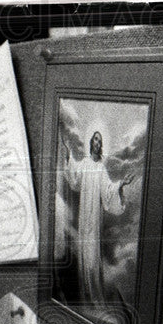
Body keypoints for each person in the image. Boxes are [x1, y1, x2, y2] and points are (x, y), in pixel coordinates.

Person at [61, 130, 135, 305]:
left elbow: (108, 191)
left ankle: (94, 296)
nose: (97, 143)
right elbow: (75, 180)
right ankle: (85, 295)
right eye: (95, 139)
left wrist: (121, 184)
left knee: (92, 254)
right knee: (83, 252)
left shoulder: (101, 167)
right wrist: (68, 155)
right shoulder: (85, 163)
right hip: (83, 217)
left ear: (101, 145)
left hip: (94, 219)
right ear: (91, 142)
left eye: (100, 141)